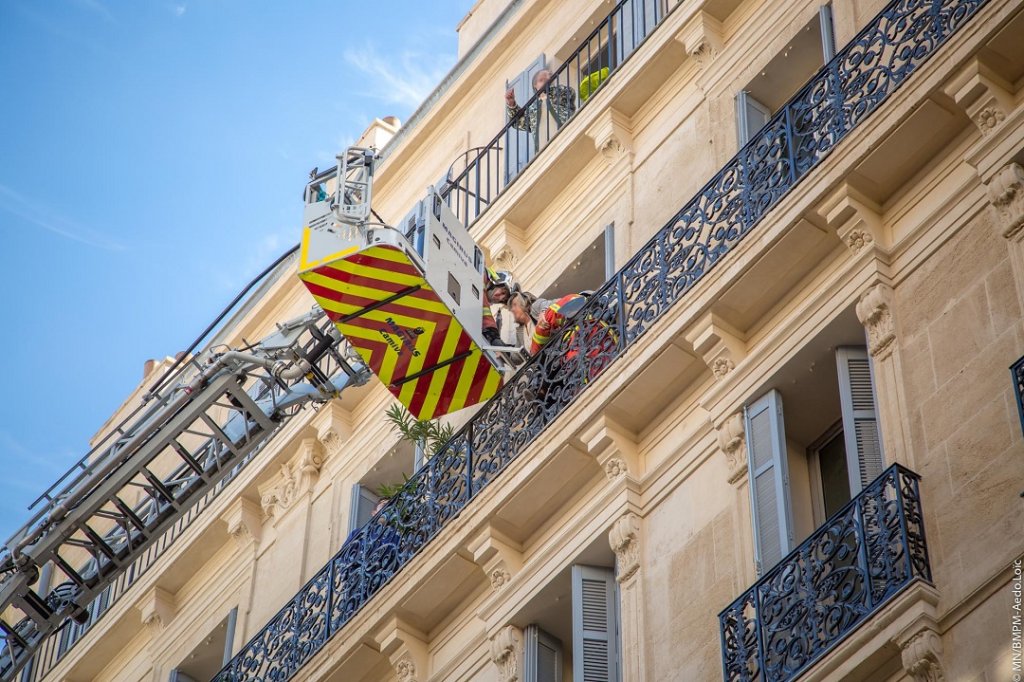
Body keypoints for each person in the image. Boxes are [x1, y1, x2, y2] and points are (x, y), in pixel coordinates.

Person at [505, 68, 577, 150]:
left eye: (547, 78)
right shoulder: (532, 108)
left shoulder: (560, 92)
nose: (545, 81)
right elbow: (518, 122)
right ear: (535, 85)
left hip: (566, 132)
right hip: (544, 146)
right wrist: (512, 104)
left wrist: (550, 90)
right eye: (541, 80)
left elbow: (570, 93)